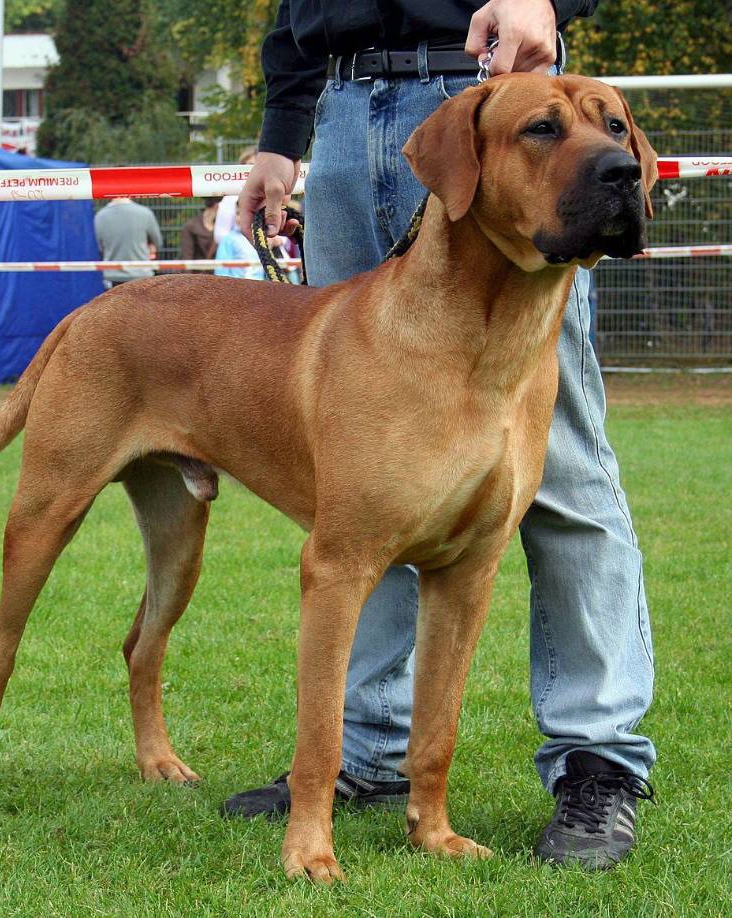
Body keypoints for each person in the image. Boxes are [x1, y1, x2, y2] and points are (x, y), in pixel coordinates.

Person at [226, 0, 656, 870]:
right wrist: (281, 128)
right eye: (580, 134)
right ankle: (370, 760)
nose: (615, 158)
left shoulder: (545, 126)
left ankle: (598, 758)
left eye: (618, 139)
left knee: (563, 474)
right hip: (345, 114)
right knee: (368, 492)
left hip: (490, 83)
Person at [94, 197, 164, 288]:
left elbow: (98, 247)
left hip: (112, 277)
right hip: (142, 275)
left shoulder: (100, 216)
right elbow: (158, 243)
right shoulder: (145, 213)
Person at [213, 147, 257, 246]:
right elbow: (220, 235)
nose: (253, 170)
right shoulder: (230, 198)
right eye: (250, 165)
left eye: (257, 166)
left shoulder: (271, 193)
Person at [180, 197, 221, 263]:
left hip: (220, 272)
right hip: (197, 271)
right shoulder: (191, 227)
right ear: (217, 206)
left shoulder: (226, 227)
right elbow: (187, 259)